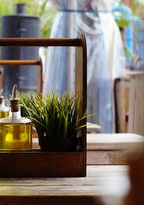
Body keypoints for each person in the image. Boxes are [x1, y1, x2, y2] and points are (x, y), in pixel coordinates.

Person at [44, 0, 121, 133]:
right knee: (64, 86)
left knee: (99, 91)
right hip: (68, 26)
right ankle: (61, 137)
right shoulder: (66, 16)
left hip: (100, 29)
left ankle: (100, 138)